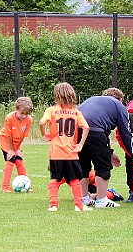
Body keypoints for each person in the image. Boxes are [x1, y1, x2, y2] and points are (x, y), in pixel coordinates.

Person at [77, 89, 133, 208]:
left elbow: (104, 132)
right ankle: (102, 200)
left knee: (84, 165)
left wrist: (110, 153)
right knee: (103, 166)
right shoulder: (119, 106)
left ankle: (84, 198)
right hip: (95, 130)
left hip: (76, 128)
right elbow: (126, 134)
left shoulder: (94, 99)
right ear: (121, 99)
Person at [39, 82, 92, 212]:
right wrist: (80, 145)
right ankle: (79, 205)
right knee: (75, 180)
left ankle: (53, 205)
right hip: (71, 152)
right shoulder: (75, 112)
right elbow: (86, 127)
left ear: (57, 96)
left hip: (56, 152)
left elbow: (42, 123)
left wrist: (45, 134)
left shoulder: (51, 110)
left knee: (55, 179)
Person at [0, 97, 34, 193]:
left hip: (18, 141)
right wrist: (11, 150)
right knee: (11, 159)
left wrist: (17, 149)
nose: (24, 116)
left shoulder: (29, 120)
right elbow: (8, 135)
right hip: (6, 139)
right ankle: (5, 187)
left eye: (26, 114)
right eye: (22, 113)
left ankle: (26, 184)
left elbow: (24, 135)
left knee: (19, 160)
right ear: (16, 109)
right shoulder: (9, 118)